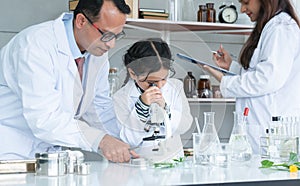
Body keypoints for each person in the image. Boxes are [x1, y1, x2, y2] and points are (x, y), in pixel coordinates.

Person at [0, 0, 139, 162]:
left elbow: (100, 110)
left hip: (51, 154)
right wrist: (101, 140)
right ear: (81, 21)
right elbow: (44, 119)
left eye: (116, 36)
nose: (111, 44)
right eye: (107, 35)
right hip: (12, 151)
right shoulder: (35, 45)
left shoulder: (96, 53)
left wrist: (124, 141)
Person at [202, 0, 300, 154]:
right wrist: (231, 67)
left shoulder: (281, 29)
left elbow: (267, 80)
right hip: (263, 128)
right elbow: (262, 72)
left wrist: (224, 81)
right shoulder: (271, 27)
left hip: (271, 130)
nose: (242, 9)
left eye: (246, 2)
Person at [113, 38, 193, 162]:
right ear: (133, 73)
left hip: (172, 163)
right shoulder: (121, 98)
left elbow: (185, 125)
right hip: (139, 167)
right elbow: (129, 141)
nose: (160, 86)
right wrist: (141, 107)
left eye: (164, 78)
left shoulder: (175, 87)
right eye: (152, 82)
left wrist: (165, 109)